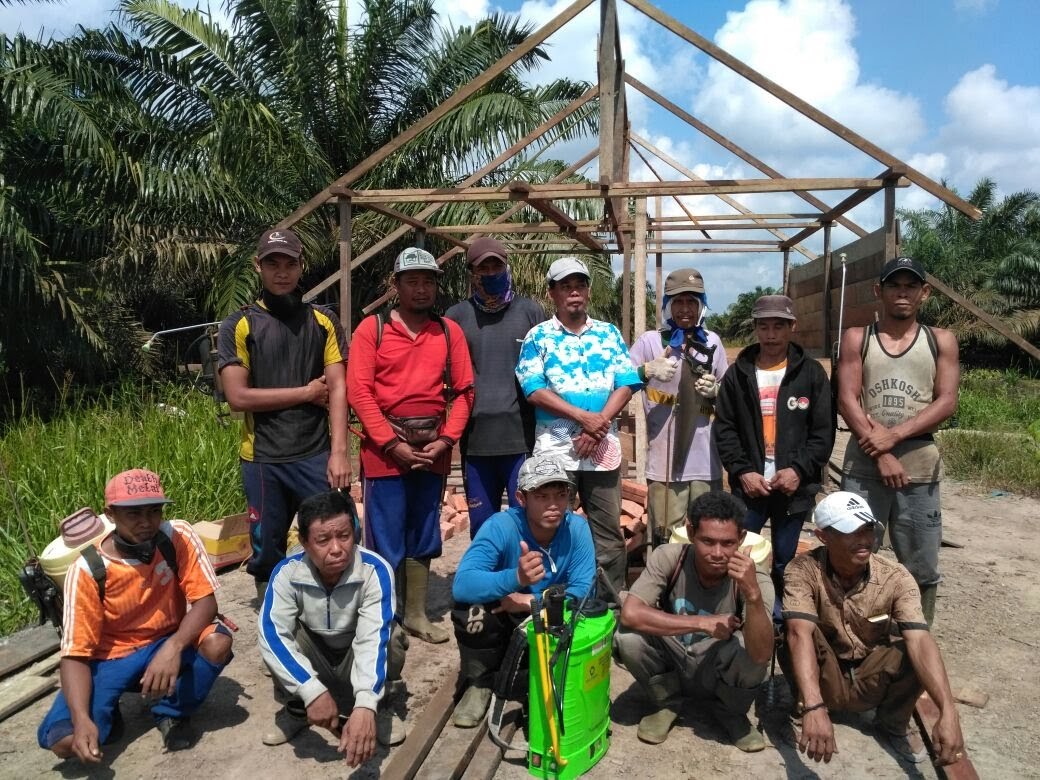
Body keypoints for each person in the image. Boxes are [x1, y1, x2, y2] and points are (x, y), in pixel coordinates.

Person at [38, 470, 233, 761]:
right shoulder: (87, 570)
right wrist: (81, 719)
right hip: (112, 656)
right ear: (111, 514)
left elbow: (205, 603)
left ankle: (170, 711)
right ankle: (105, 709)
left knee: (217, 642)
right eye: (134, 514)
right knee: (65, 742)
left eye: (154, 511)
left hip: (167, 636)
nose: (146, 522)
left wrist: (174, 646)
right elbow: (75, 654)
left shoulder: (176, 536)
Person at [781, 490, 965, 766]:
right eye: (850, 532)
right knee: (791, 633)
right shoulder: (803, 570)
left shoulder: (895, 577)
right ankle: (806, 708)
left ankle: (893, 723)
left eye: (868, 529)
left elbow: (919, 640)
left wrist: (948, 712)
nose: (864, 540)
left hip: (869, 674)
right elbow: (799, 632)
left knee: (916, 649)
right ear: (823, 536)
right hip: (825, 673)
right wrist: (814, 706)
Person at [347, 247, 474, 644]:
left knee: (423, 530)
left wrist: (447, 440)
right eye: (412, 281)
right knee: (384, 536)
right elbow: (359, 392)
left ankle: (416, 614)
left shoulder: (449, 332)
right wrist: (389, 443)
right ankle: (387, 620)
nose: (421, 289)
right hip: (384, 454)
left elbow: (466, 392)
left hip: (431, 449)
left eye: (428, 281)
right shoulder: (373, 329)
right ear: (396, 285)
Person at [217, 227, 350, 603]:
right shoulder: (239, 325)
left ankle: (333, 610)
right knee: (266, 547)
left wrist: (339, 452)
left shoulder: (322, 321)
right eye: (272, 263)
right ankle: (272, 615)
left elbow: (338, 387)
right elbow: (238, 396)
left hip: (315, 454)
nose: (281, 272)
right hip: (263, 459)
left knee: (333, 536)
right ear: (258, 266)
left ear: (300, 266)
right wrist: (306, 392)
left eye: (289, 263)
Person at [837, 256, 959, 624]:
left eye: (910, 286)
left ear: (924, 293)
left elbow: (947, 400)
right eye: (894, 285)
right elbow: (847, 399)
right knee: (851, 556)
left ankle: (913, 644)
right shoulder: (859, 338)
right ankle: (854, 636)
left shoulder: (941, 341)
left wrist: (894, 436)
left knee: (921, 564)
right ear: (880, 291)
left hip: (919, 466)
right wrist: (882, 452)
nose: (902, 293)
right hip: (865, 463)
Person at [515, 256, 642, 593]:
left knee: (608, 533)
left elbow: (626, 383)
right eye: (566, 286)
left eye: (580, 285)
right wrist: (584, 418)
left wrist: (596, 425)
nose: (574, 292)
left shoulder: (608, 333)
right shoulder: (538, 337)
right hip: (557, 452)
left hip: (602, 452)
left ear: (587, 290)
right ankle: (556, 600)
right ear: (552, 293)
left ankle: (609, 603)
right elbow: (534, 390)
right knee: (553, 527)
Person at [615, 491, 773, 750]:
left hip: (717, 668)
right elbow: (631, 613)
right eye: (707, 541)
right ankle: (666, 704)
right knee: (628, 636)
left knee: (751, 648)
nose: (718, 553)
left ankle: (730, 712)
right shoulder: (670, 558)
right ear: (690, 533)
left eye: (728, 543)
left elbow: (763, 653)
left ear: (742, 539)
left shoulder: (755, 579)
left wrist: (753, 595)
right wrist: (702, 623)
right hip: (674, 660)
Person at [259, 490, 406, 765]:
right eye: (323, 540)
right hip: (317, 655)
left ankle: (379, 707)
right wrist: (311, 690)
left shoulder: (376, 570)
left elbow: (371, 638)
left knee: (393, 637)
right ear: (304, 542)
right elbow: (272, 633)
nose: (337, 548)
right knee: (278, 641)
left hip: (353, 652)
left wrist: (365, 704)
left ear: (355, 533)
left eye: (345, 536)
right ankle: (298, 710)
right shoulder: (286, 572)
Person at [449, 454, 596, 727]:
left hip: (548, 619)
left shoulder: (577, 529)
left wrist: (533, 601)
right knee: (472, 611)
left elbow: (585, 591)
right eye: (542, 496)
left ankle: (538, 676)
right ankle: (480, 680)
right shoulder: (501, 526)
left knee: (586, 616)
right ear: (521, 498)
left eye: (560, 494)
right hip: (505, 616)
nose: (553, 505)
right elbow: (463, 584)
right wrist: (515, 576)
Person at [714, 294, 833, 612]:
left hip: (792, 488)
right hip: (750, 485)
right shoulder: (738, 374)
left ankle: (781, 619)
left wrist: (798, 470)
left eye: (778, 326)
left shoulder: (810, 375)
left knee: (784, 559)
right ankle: (738, 612)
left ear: (792, 327)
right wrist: (742, 471)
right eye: (763, 326)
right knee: (740, 555)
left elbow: (822, 433)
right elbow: (725, 429)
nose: (771, 334)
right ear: (755, 328)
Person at [445, 237, 546, 538]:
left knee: (525, 522)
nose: (491, 273)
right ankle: (488, 584)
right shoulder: (456, 317)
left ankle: (523, 583)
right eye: (483, 268)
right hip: (476, 441)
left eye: (496, 265)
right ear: (471, 274)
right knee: (483, 527)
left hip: (521, 439)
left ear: (507, 267)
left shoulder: (530, 312)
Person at [629, 267, 728, 547]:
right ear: (667, 306)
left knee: (707, 534)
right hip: (664, 462)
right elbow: (620, 380)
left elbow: (730, 395)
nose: (685, 309)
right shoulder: (651, 342)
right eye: (678, 302)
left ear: (702, 305)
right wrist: (645, 370)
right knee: (666, 534)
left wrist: (716, 391)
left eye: (692, 302)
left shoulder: (712, 343)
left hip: (706, 460)